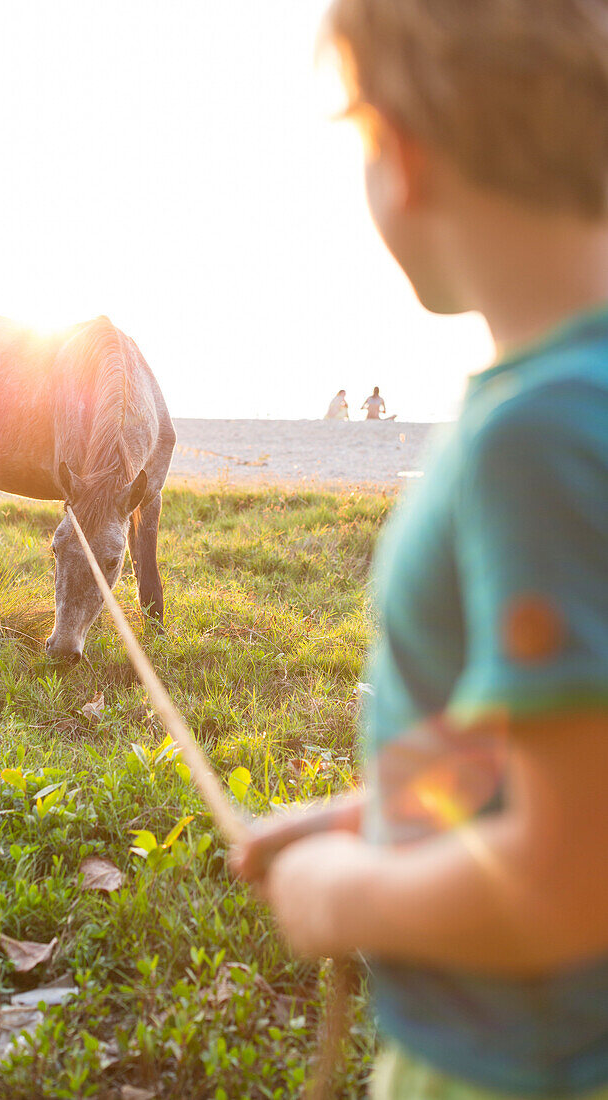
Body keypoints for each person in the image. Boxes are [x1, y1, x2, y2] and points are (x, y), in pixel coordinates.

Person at [234, 2, 608, 1098]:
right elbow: (528, 735)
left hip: (513, 1064)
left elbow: (565, 876)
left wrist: (340, 891)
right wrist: (362, 814)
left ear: (397, 152)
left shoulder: (533, 439)